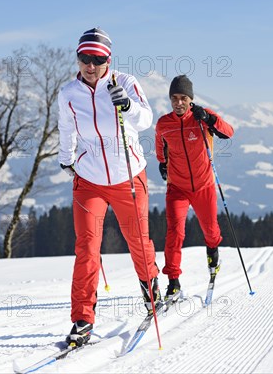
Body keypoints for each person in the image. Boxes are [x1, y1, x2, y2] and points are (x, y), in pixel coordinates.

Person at [58, 28, 160, 346]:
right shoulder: (68, 93)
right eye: (84, 58)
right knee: (87, 248)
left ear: (108, 60)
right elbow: (66, 127)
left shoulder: (125, 83)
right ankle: (82, 319)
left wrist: (126, 105)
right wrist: (66, 158)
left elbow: (146, 119)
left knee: (138, 241)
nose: (90, 65)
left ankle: (150, 283)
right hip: (89, 180)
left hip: (128, 175)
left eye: (97, 59)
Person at [154, 75, 234, 301]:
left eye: (183, 98)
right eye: (174, 98)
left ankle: (213, 253)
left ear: (191, 99)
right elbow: (161, 147)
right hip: (177, 187)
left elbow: (228, 132)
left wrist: (209, 118)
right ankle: (173, 281)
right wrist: (162, 164)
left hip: (204, 185)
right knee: (175, 233)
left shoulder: (201, 117)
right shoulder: (163, 124)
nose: (178, 103)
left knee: (210, 230)